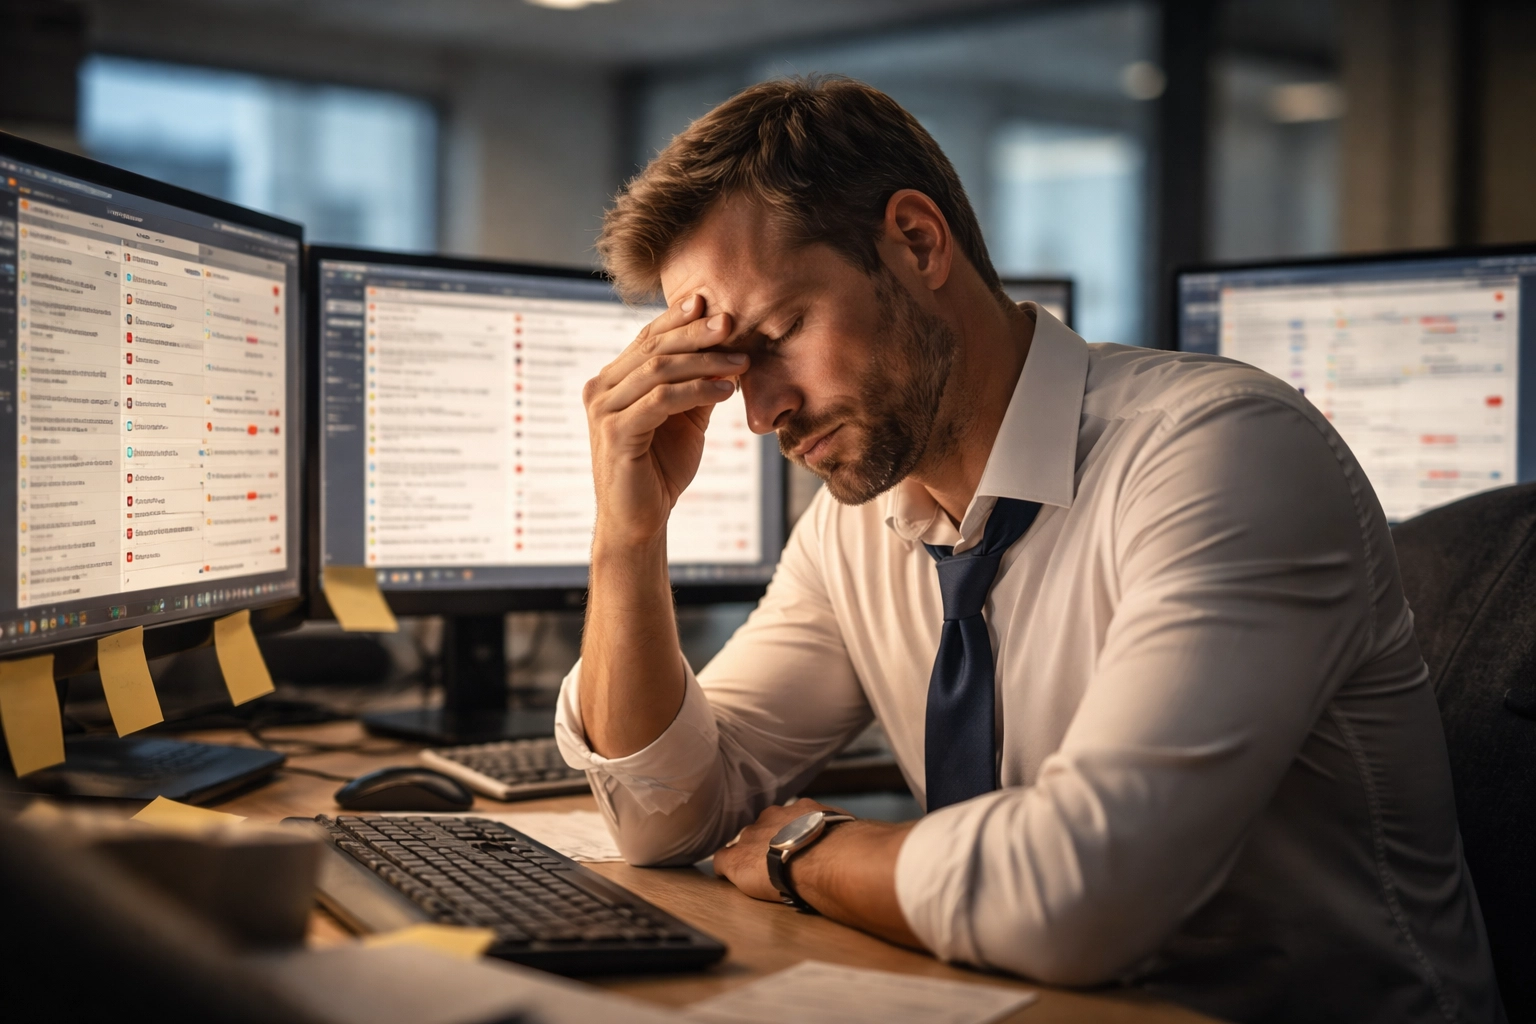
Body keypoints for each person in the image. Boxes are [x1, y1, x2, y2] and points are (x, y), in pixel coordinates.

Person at [554, 76, 1503, 1023]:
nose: (760, 414)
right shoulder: (859, 526)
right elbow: (663, 814)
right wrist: (627, 532)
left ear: (917, 243)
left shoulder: (1225, 452)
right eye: (729, 371)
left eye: (778, 335)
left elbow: (1078, 898)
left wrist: (809, 850)